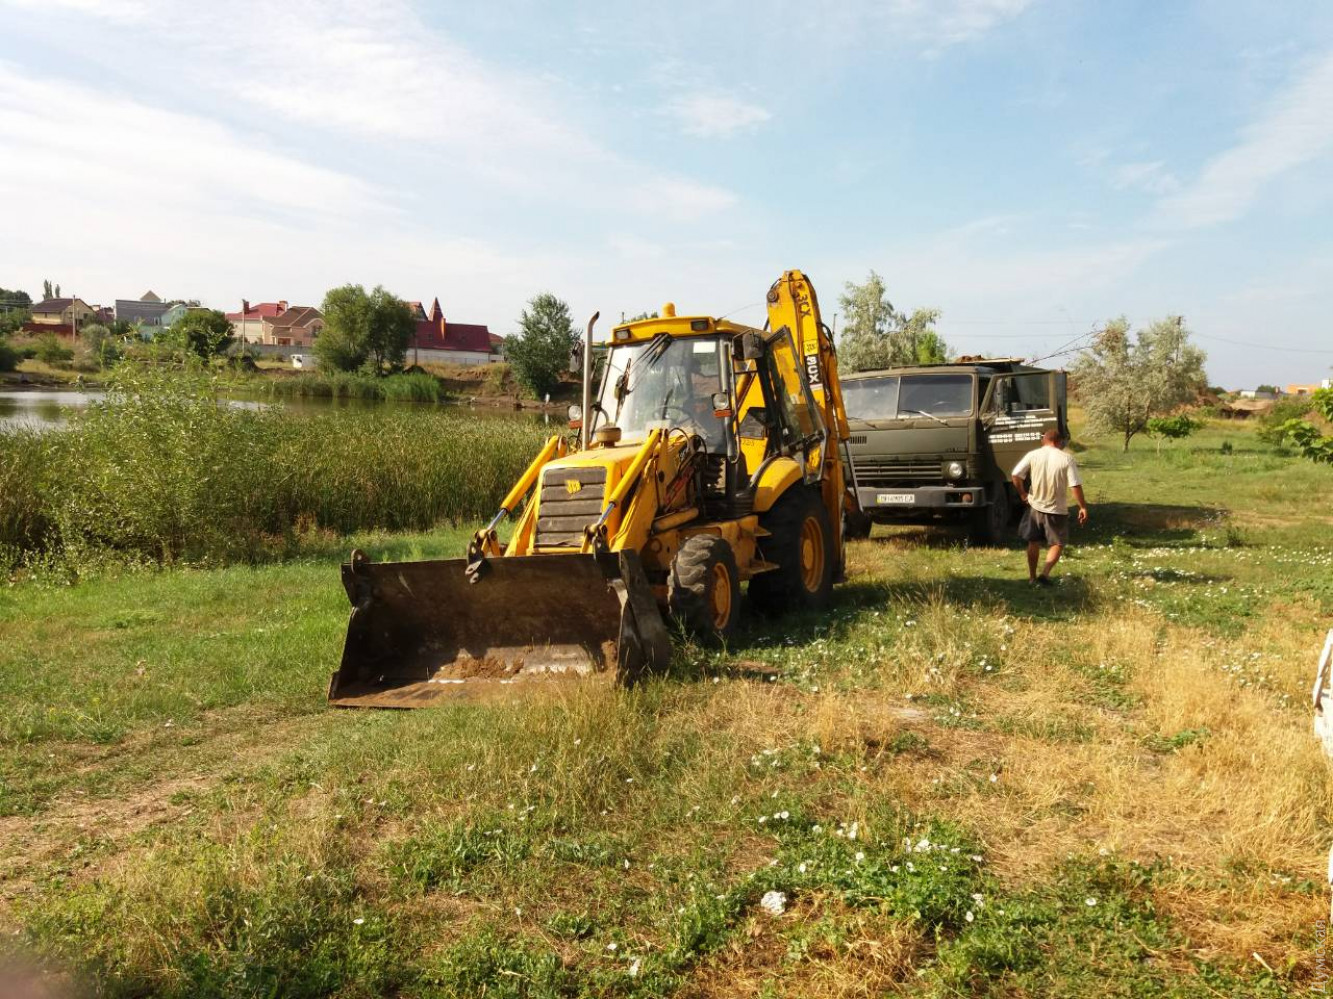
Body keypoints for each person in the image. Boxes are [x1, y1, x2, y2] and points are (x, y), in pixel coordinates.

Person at [1010, 429, 1088, 586]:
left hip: (1035, 507)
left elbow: (1015, 474)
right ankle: (1044, 574)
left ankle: (1032, 578)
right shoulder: (1066, 458)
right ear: (1059, 442)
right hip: (1056, 509)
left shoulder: (1033, 455)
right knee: (1058, 543)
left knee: (1033, 542)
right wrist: (1083, 507)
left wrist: (1023, 494)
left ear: (1043, 440)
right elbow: (1075, 485)